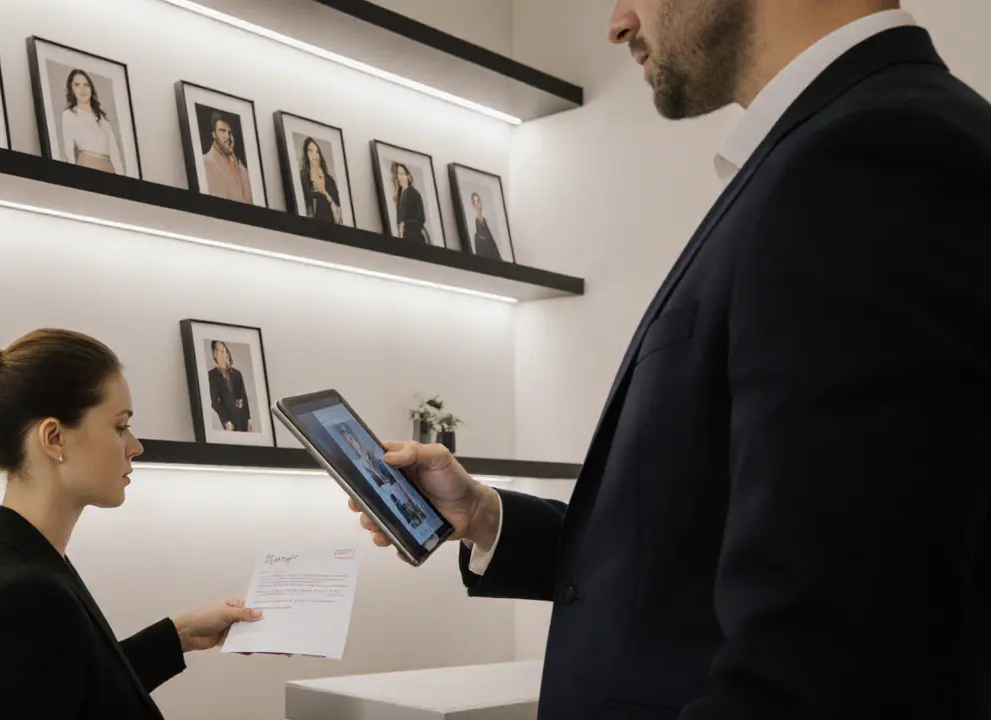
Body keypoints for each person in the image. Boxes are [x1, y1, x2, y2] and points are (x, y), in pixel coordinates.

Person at [349, 1, 991, 718]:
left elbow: (830, 661)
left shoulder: (871, 156)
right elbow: (717, 550)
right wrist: (486, 517)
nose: (617, 23)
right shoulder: (845, 148)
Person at [0, 329, 261, 719]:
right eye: (119, 426)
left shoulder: (5, 558)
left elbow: (67, 687)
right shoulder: (22, 597)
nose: (135, 445)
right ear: (53, 438)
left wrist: (179, 634)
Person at [61, 69, 124, 175]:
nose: (82, 89)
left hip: (109, 169)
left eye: (86, 85)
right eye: (77, 85)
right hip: (87, 166)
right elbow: (69, 152)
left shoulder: (102, 118)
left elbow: (114, 152)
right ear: (71, 89)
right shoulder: (69, 114)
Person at [201, 112, 252, 203]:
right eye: (222, 131)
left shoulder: (242, 168)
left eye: (230, 132)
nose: (227, 137)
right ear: (214, 134)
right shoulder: (206, 163)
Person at [207, 340, 250, 432]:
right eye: (221, 351)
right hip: (228, 421)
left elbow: (243, 397)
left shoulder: (236, 374)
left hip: (241, 420)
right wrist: (225, 421)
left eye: (225, 351)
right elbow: (214, 401)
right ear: (215, 354)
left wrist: (248, 420)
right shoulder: (212, 375)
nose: (225, 354)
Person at [299, 137, 342, 224]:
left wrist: (324, 193)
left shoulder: (329, 181)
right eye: (310, 151)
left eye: (317, 151)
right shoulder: (302, 179)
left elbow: (340, 215)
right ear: (306, 154)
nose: (314, 154)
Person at [391, 162, 426, 243]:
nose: (401, 177)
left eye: (403, 174)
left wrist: (405, 225)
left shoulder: (414, 193)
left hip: (415, 240)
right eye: (399, 175)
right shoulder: (400, 195)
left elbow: (421, 219)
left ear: (408, 176)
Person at [468, 193, 501, 260]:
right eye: (475, 202)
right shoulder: (476, 230)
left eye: (478, 201)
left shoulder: (487, 222)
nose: (478, 204)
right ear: (474, 205)